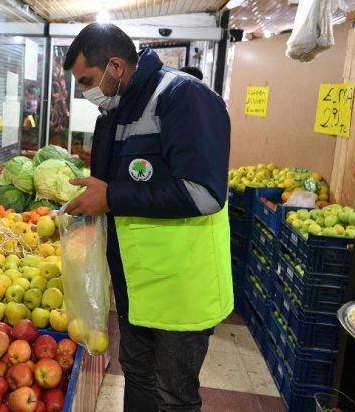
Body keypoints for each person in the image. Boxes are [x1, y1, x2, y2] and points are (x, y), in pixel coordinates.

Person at [63, 23, 232, 412]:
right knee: (136, 374)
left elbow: (204, 194)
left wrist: (110, 197)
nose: (85, 91)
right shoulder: (117, 109)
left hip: (180, 288)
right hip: (136, 282)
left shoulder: (184, 98)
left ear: (116, 66)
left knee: (174, 394)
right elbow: (112, 186)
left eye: (87, 80)